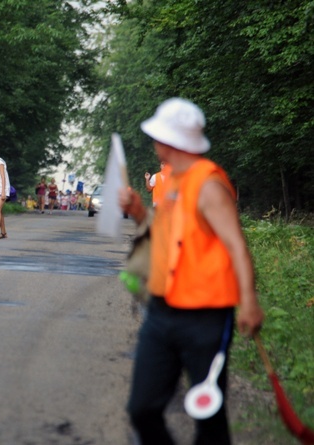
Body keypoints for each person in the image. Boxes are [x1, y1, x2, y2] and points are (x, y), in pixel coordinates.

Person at [119, 98, 264, 445]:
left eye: (157, 135)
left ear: (171, 141)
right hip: (162, 311)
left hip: (206, 317)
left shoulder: (208, 184)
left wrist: (248, 301)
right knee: (142, 409)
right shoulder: (170, 181)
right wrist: (140, 213)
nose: (154, 142)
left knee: (208, 419)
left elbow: (236, 246)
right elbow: (167, 238)